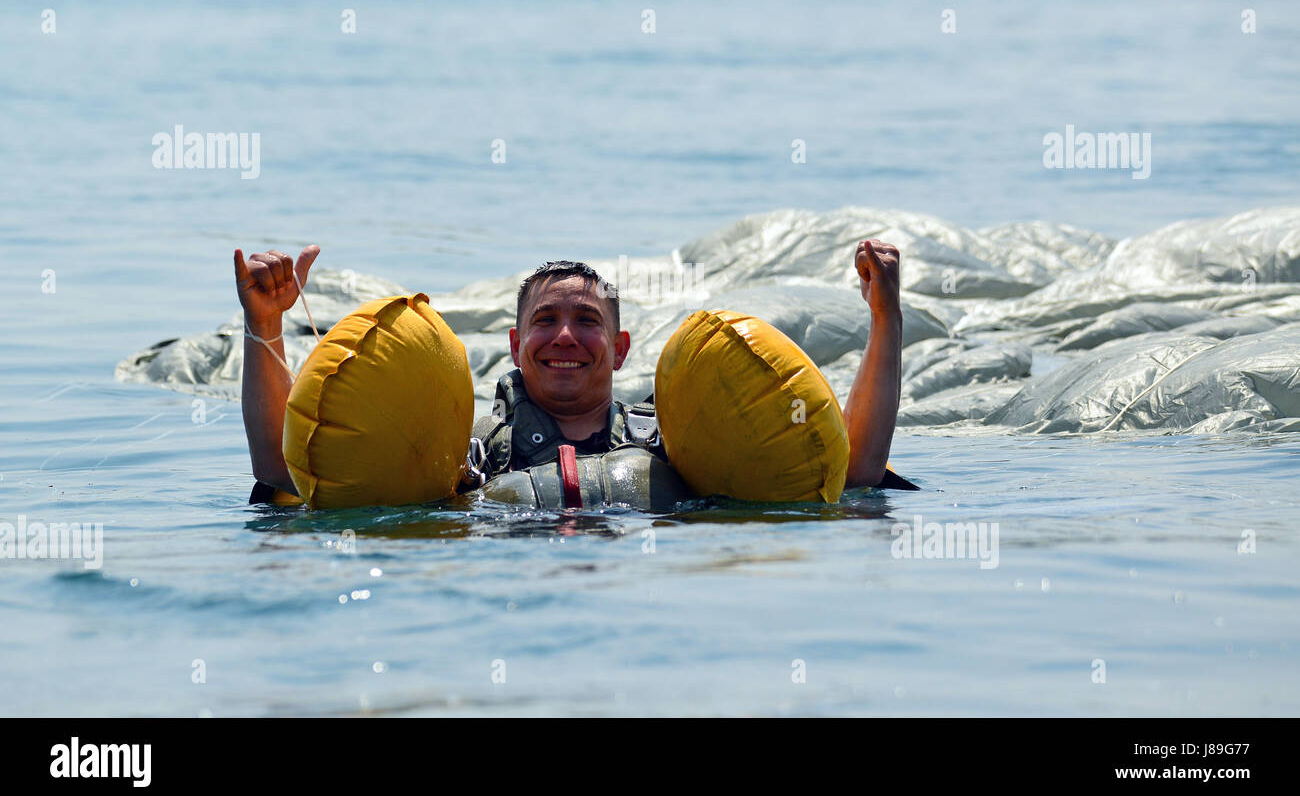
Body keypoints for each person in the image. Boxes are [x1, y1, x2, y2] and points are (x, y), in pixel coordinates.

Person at [234, 238, 905, 505]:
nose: (564, 336)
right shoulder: (460, 449)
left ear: (618, 349)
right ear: (514, 342)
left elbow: (853, 475)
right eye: (545, 321)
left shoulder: (676, 443)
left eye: (586, 322)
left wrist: (885, 315)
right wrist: (264, 326)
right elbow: (284, 474)